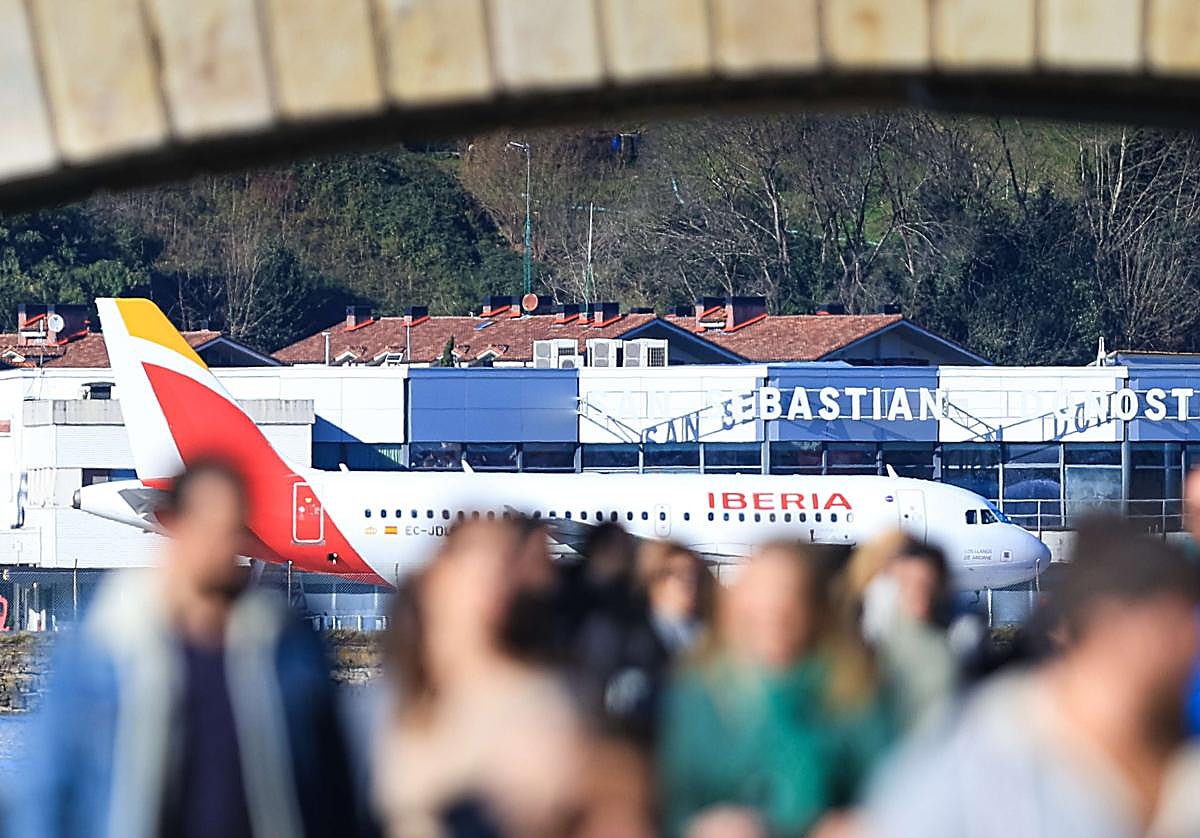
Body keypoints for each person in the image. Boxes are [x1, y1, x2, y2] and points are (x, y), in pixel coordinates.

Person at [8, 460, 360, 838]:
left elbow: (332, 788)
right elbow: (51, 786)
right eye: (209, 528)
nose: (221, 545)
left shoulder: (286, 649)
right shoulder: (107, 646)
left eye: (232, 530)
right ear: (176, 527)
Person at [864, 515, 1200, 838]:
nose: (1190, 649)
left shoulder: (1177, 761)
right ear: (1107, 628)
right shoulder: (978, 779)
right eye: (1175, 631)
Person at [660, 541, 894, 838]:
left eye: (788, 595)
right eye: (760, 597)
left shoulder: (852, 692)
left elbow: (894, 790)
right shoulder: (699, 694)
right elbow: (670, 798)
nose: (774, 613)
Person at [373, 518, 587, 837]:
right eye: (477, 575)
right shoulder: (391, 702)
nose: (489, 588)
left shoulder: (540, 704)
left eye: (498, 575)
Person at [573, 540, 712, 745]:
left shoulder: (712, 638)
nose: (688, 583)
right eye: (677, 575)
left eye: (695, 576)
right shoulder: (621, 633)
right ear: (654, 578)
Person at [846, 533, 958, 731]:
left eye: (927, 585)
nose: (919, 593)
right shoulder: (866, 650)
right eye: (908, 584)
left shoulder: (961, 642)